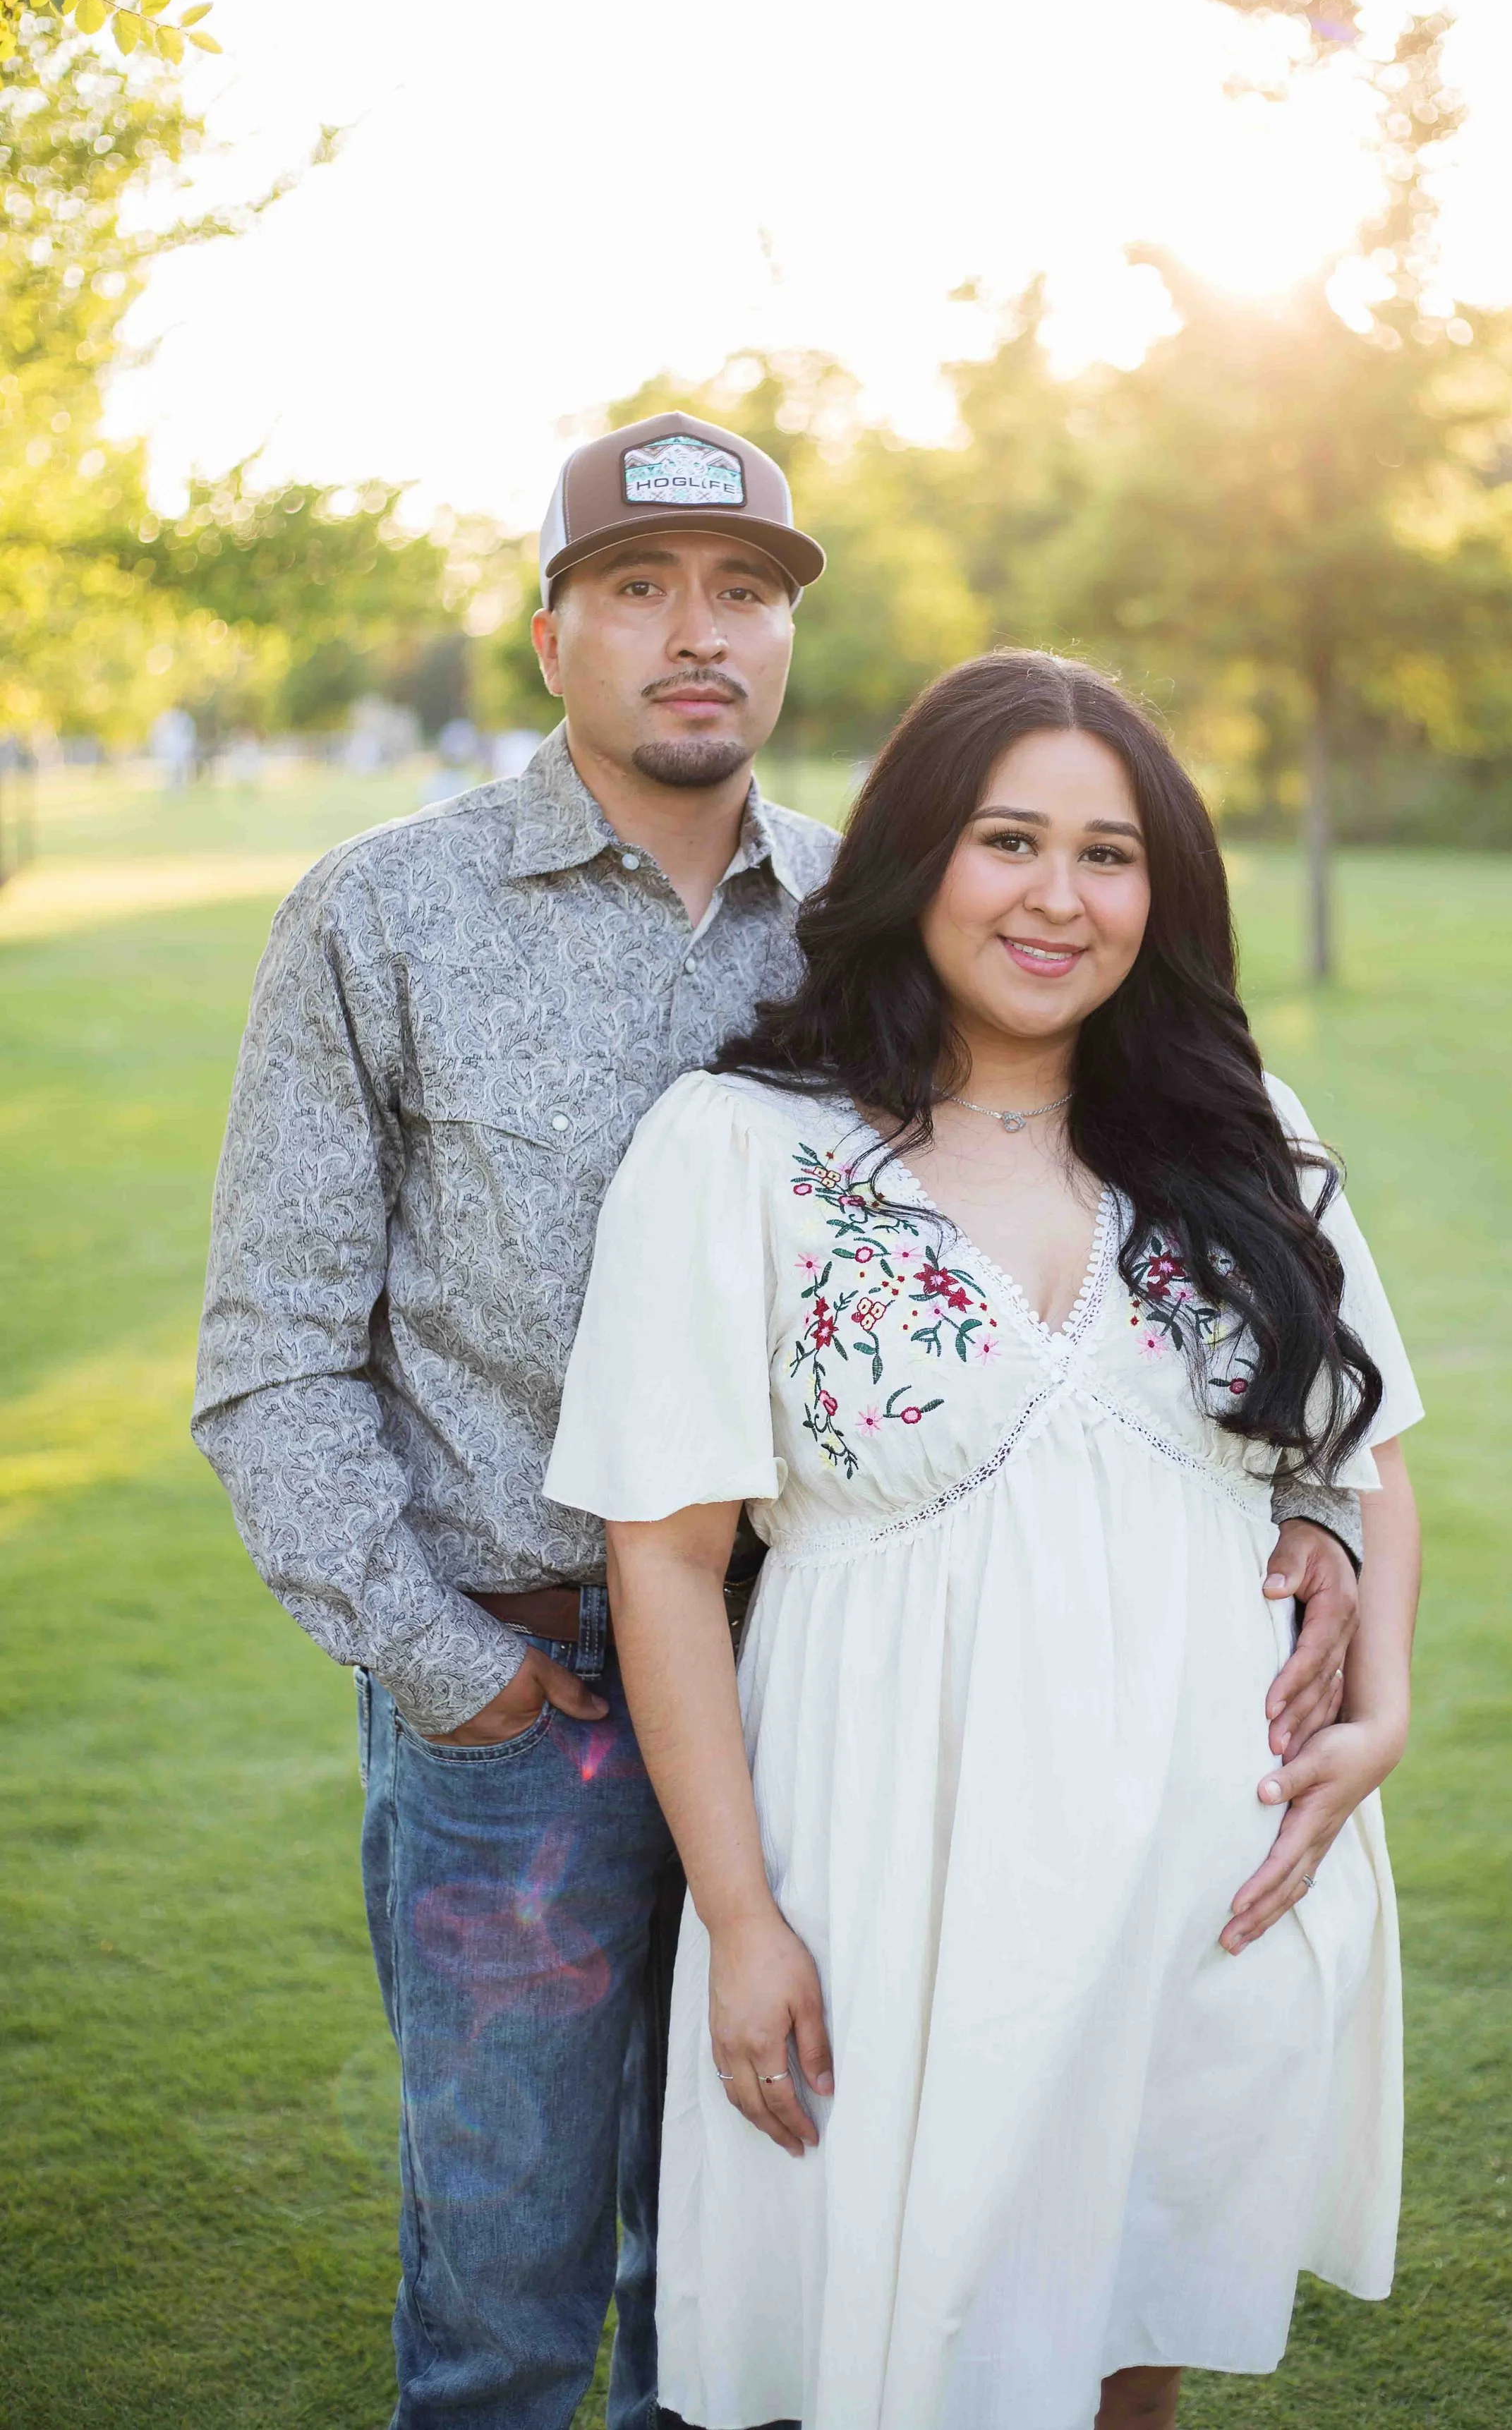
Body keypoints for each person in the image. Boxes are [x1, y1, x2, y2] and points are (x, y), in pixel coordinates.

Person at [193, 404, 1361, 2428]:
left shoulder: (878, 906)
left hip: (838, 1685)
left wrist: (1321, 1514)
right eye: (635, 589)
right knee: (506, 2280)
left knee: (761, 2268)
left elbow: (1135, 1216)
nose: (694, 632)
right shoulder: (381, 917)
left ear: (789, 635)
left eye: (742, 590)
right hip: (528, 1695)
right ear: (550, 633)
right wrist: (447, 1666)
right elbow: (271, 1354)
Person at [545, 653, 1422, 2430]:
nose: (1056, 897)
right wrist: (739, 1918)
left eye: (1107, 856)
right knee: (898, 2344)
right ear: (915, 858)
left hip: (1209, 1870)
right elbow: (662, 1555)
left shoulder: (1245, 1139)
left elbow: (1367, 1453)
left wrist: (1379, 1703)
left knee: (1124, 2329)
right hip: (888, 1879)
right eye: (1006, 839)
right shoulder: (739, 1153)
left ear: (1157, 892)